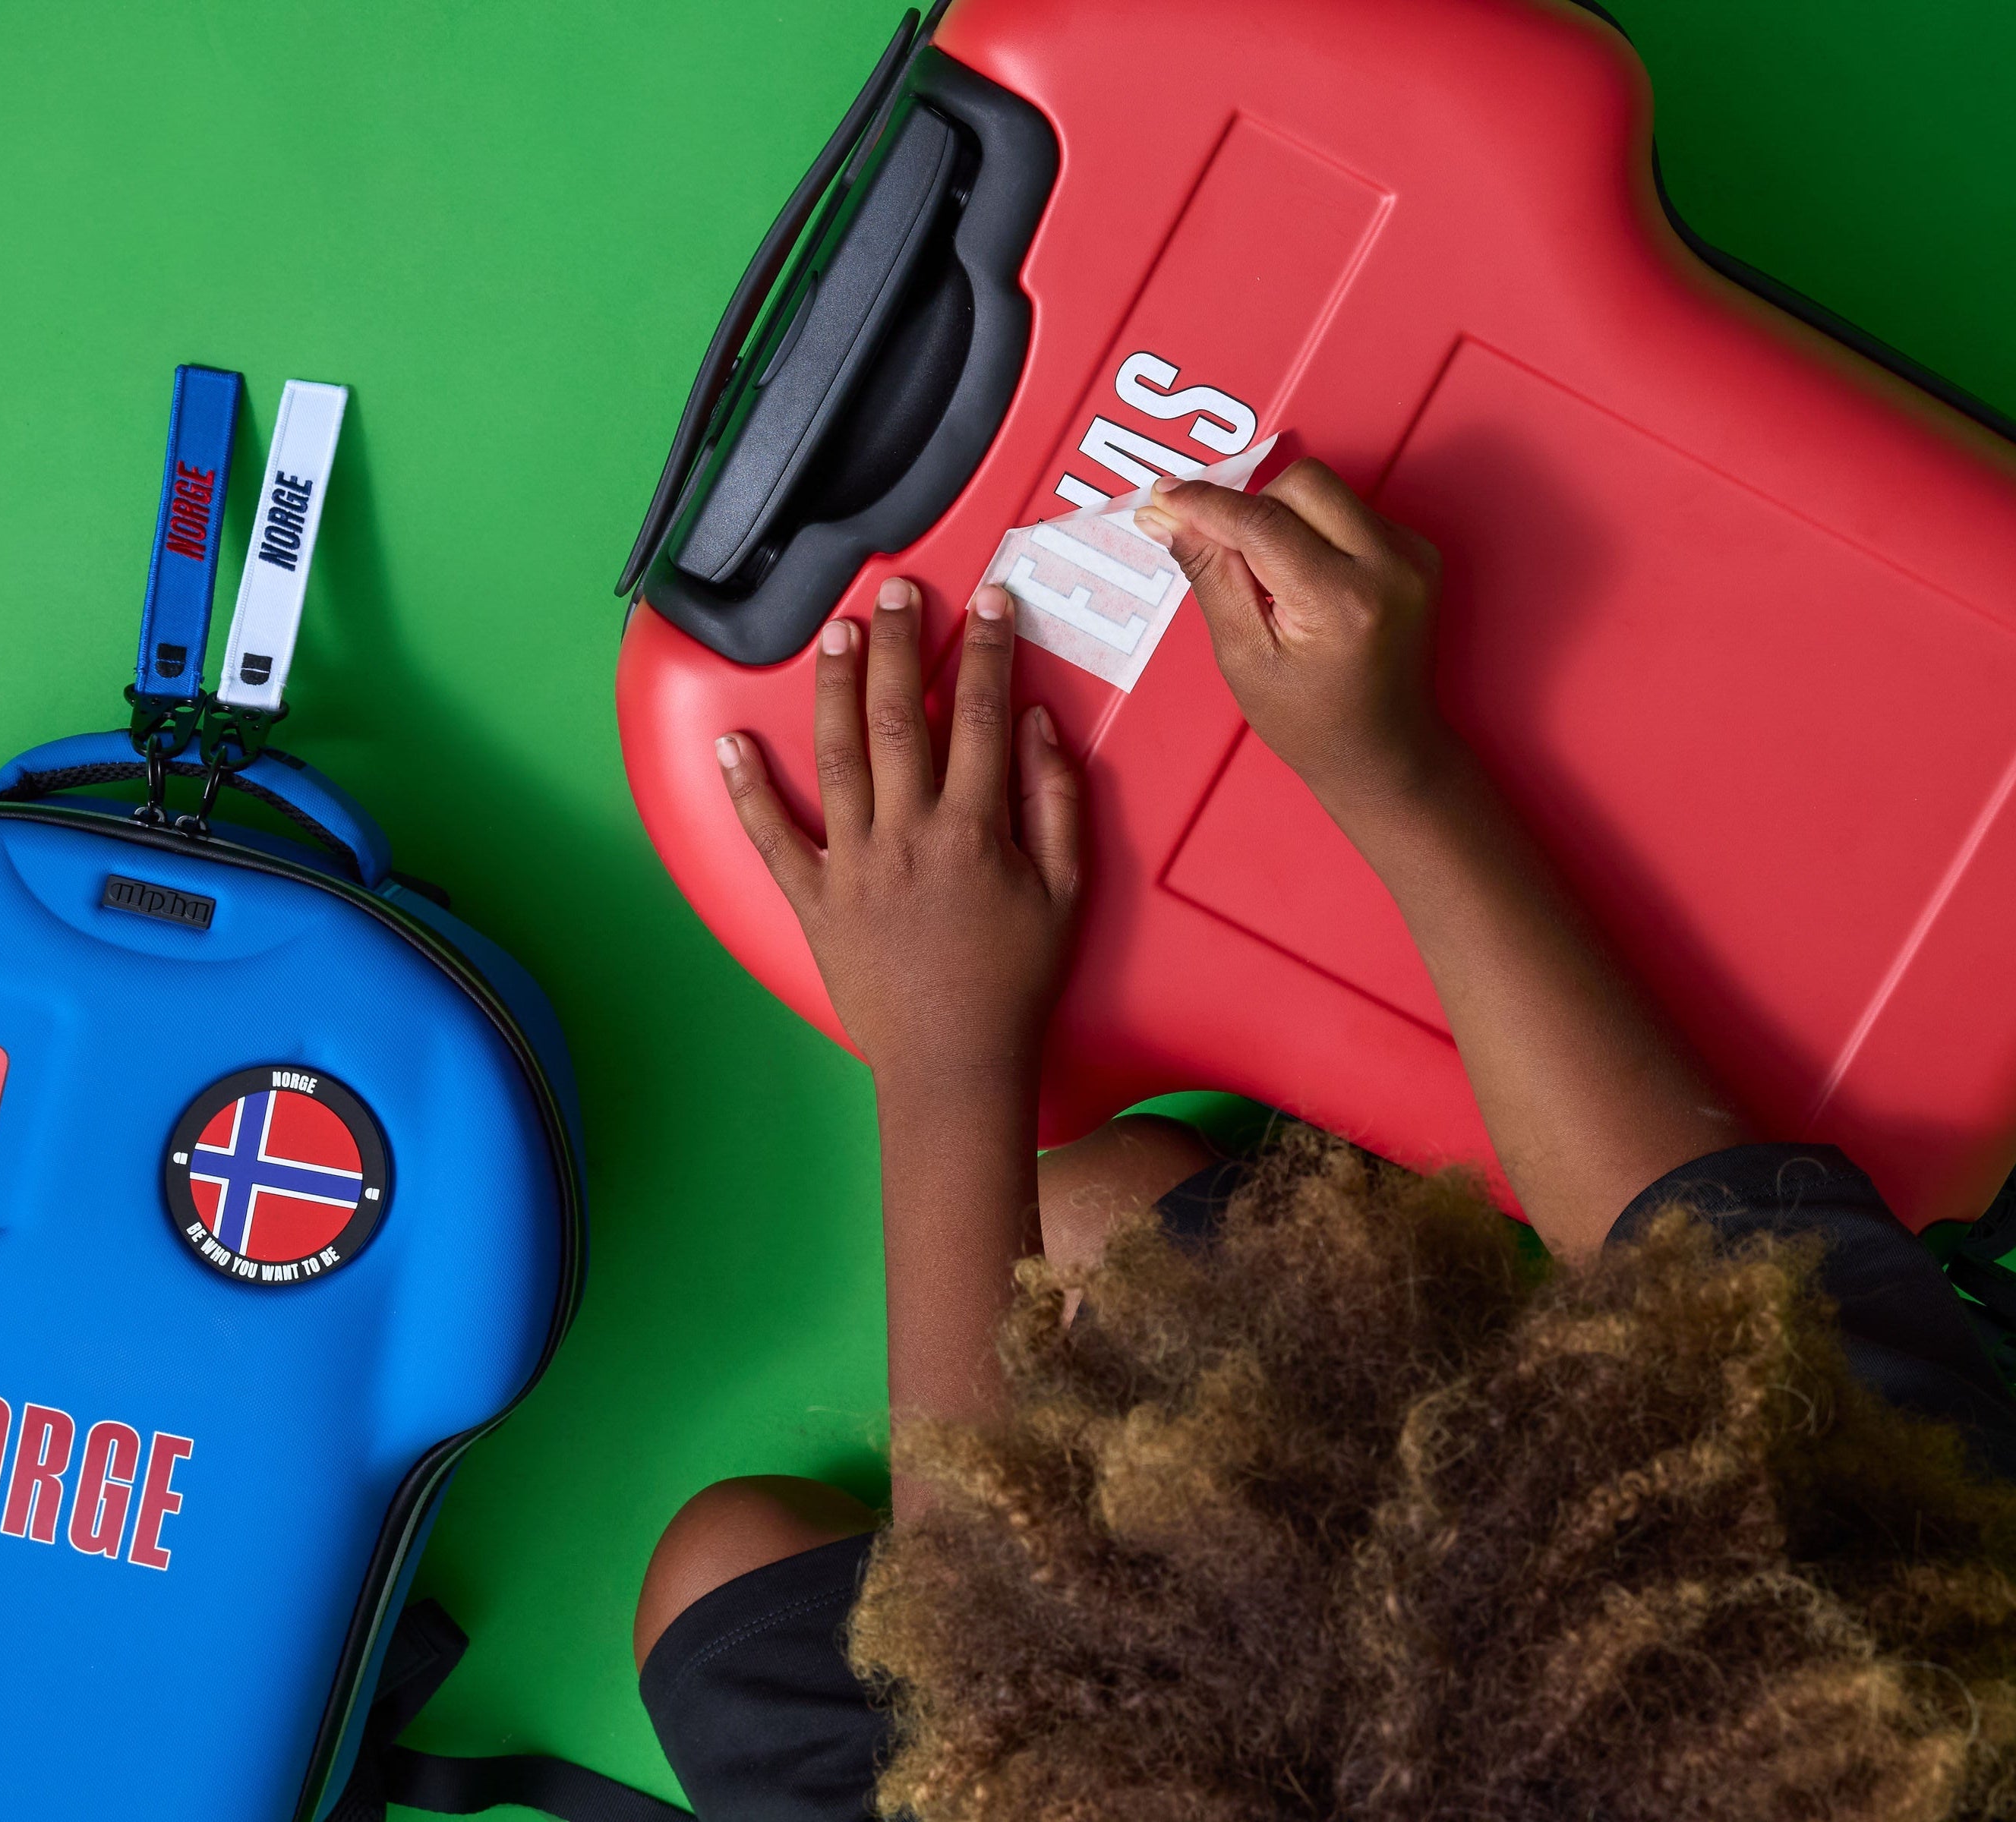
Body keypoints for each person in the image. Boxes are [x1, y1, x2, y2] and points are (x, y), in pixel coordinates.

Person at [632, 461, 2016, 1821]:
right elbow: (1693, 1222)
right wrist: (1389, 768)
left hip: (1081, 1743)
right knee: (1109, 1211)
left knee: (720, 1572)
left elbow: (989, 1661)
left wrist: (943, 1054)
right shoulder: (1898, 1655)